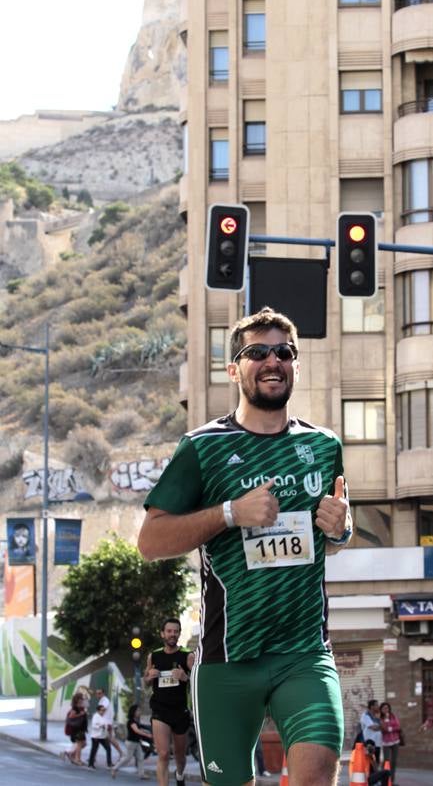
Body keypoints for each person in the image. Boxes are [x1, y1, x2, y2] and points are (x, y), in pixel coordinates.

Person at [138, 306, 353, 786]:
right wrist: (230, 512)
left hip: (304, 652)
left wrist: (341, 529)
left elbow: (335, 532)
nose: (272, 360)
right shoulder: (202, 447)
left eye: (284, 352)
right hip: (227, 659)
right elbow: (150, 541)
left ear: (297, 366)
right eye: (257, 352)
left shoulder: (323, 446)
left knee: (317, 771)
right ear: (234, 368)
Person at [144, 617, 195, 786]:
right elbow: (145, 680)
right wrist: (149, 677)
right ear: (162, 634)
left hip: (180, 711)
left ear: (179, 634)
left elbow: (198, 683)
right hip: (160, 710)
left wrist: (186, 677)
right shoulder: (154, 656)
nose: (172, 634)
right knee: (164, 754)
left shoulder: (188, 656)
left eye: (176, 631)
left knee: (180, 757)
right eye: (169, 631)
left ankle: (179, 775)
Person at [111, 703, 150, 780]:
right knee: (127, 758)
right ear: (133, 712)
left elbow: (140, 729)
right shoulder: (131, 721)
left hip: (137, 742)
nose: (139, 712)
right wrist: (147, 735)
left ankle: (141, 775)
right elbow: (137, 731)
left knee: (140, 757)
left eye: (139, 710)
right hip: (131, 743)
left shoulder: (136, 721)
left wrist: (146, 731)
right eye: (138, 710)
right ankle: (114, 768)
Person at [95, 686, 124, 762]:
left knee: (110, 739)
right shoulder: (101, 700)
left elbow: (102, 710)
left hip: (106, 724)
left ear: (103, 693)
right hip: (104, 724)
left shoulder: (105, 700)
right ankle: (94, 757)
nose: (98, 695)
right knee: (100, 739)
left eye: (100, 693)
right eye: (97, 693)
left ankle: (121, 754)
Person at [61, 691, 88, 766]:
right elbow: (71, 717)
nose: (82, 699)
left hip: (81, 728)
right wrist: (80, 714)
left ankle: (70, 753)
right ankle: (77, 759)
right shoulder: (75, 708)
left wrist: (86, 698)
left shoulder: (81, 706)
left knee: (84, 744)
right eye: (81, 698)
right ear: (78, 699)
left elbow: (87, 705)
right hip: (76, 729)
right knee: (79, 744)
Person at [380, 701, 400, 784]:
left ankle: (391, 781)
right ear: (381, 710)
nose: (386, 709)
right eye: (384, 708)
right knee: (387, 761)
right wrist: (388, 723)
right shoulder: (380, 718)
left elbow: (398, 726)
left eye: (387, 708)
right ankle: (384, 779)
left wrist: (390, 728)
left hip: (395, 741)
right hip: (386, 743)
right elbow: (383, 728)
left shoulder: (393, 716)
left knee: (394, 762)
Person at [88, 703, 112, 770]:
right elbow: (94, 726)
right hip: (96, 736)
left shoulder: (103, 717)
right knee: (94, 750)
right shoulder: (96, 716)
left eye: (104, 710)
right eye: (102, 710)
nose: (103, 711)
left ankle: (109, 764)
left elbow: (106, 725)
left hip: (103, 736)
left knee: (108, 748)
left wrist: (107, 728)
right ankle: (90, 764)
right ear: (98, 710)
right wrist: (101, 726)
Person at [360, 700, 382, 764]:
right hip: (369, 742)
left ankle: (376, 773)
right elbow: (373, 728)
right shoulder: (366, 716)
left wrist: (380, 726)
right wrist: (382, 726)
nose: (378, 707)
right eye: (377, 705)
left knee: (376, 761)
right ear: (372, 707)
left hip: (377, 743)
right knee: (369, 761)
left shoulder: (377, 716)